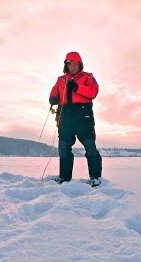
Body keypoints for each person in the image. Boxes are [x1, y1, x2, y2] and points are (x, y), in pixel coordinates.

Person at [48, 51, 102, 187]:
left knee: (90, 145)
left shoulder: (88, 77)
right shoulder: (61, 79)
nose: (72, 66)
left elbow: (93, 91)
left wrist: (77, 87)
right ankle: (64, 177)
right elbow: (54, 92)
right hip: (65, 116)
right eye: (69, 64)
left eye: (74, 64)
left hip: (83, 115)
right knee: (64, 146)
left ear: (79, 64)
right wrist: (53, 98)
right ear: (66, 65)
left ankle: (95, 177)